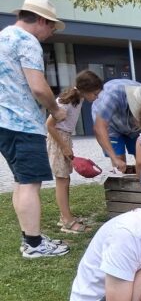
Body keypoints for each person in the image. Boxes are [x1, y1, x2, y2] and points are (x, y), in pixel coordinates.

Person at [0, 0, 70, 258]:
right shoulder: (27, 41)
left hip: (4, 122)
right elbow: (39, 87)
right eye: (52, 26)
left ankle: (29, 237)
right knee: (30, 182)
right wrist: (56, 110)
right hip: (22, 123)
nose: (51, 33)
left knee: (21, 181)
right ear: (41, 20)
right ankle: (34, 244)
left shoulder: (3, 37)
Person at [46, 70, 104, 233]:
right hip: (58, 139)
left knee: (65, 179)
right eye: (95, 93)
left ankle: (65, 216)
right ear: (85, 89)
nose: (96, 97)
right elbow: (49, 125)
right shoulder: (66, 102)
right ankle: (67, 221)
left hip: (65, 138)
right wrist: (64, 146)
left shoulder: (78, 99)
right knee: (62, 180)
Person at [91, 77, 141, 173]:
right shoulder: (111, 96)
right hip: (111, 125)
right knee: (119, 162)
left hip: (133, 126)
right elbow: (99, 128)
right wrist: (114, 158)